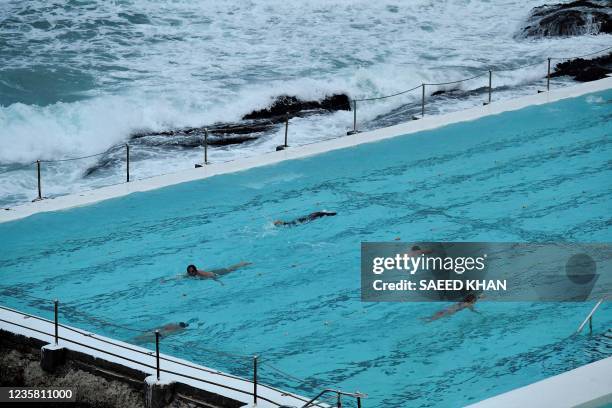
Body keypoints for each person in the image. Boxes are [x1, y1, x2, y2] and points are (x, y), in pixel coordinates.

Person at [186, 261, 252, 284]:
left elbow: (212, 277)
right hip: (213, 271)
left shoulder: (202, 274)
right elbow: (184, 275)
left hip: (218, 273)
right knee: (230, 268)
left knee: (231, 269)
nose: (190, 273)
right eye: (189, 272)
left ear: (195, 271)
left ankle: (244, 263)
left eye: (191, 271)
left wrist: (220, 282)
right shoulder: (191, 273)